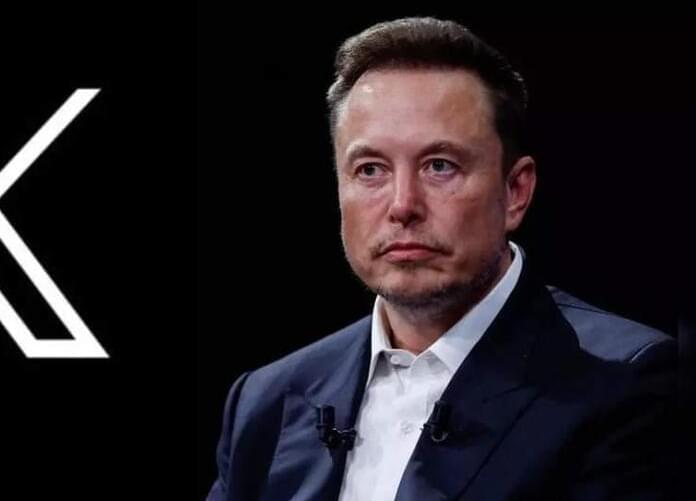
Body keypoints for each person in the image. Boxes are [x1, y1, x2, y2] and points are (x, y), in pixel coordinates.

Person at [207, 17, 677, 500]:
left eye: (439, 166)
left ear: (515, 191)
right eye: (370, 170)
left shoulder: (625, 382)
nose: (402, 205)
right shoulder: (267, 401)